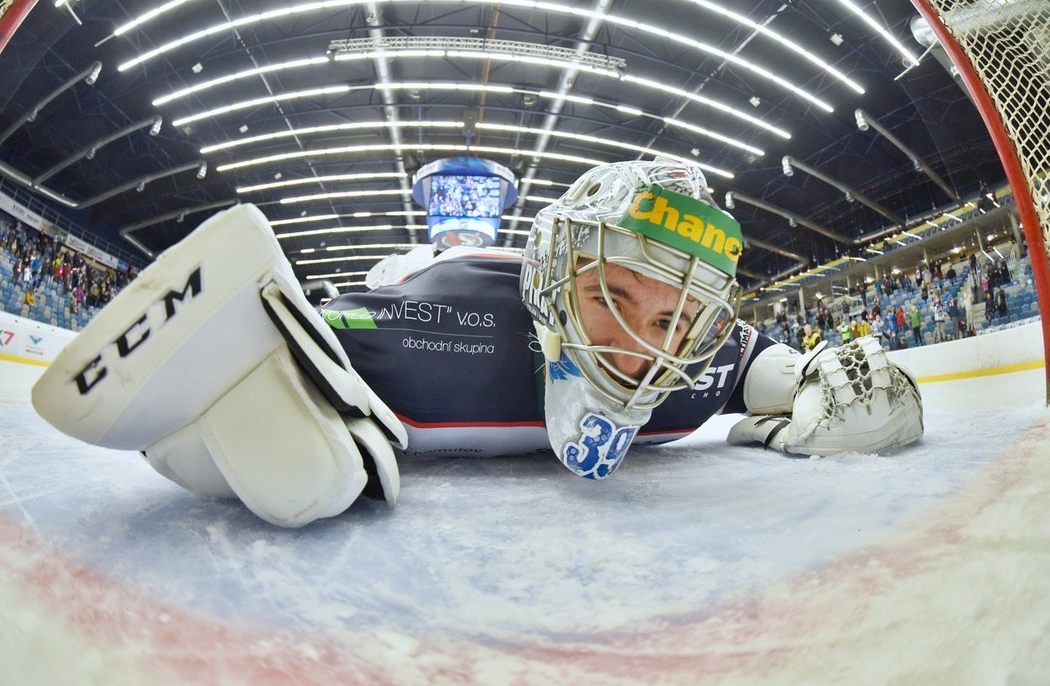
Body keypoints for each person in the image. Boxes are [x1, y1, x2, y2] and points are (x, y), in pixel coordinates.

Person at [30, 160, 924, 527]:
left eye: (671, 322)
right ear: (551, 282)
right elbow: (247, 346)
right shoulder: (439, 324)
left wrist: (825, 380)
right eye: (612, 295)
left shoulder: (689, 375)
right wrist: (257, 404)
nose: (644, 356)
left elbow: (768, 367)